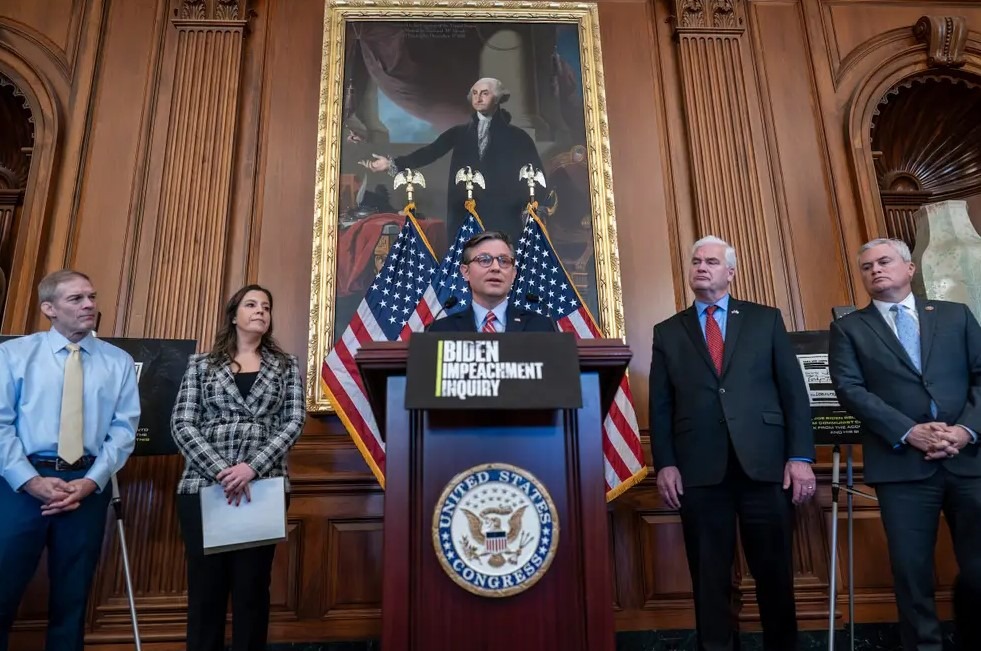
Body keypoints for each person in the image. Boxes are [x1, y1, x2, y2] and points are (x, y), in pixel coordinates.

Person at [649, 236, 816, 651]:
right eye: (696, 261)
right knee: (708, 577)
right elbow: (660, 405)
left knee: (774, 574)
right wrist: (665, 463)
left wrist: (799, 457)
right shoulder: (668, 331)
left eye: (711, 262)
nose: (701, 267)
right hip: (699, 472)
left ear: (731, 272)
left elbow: (794, 393)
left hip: (766, 467)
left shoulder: (765, 320)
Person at [828, 238, 981, 651]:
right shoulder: (849, 328)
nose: (875, 270)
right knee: (912, 574)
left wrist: (965, 430)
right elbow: (850, 389)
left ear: (909, 268)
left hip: (968, 460)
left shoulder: (956, 316)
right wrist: (909, 431)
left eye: (884, 261)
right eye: (866, 267)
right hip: (902, 468)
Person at [0, 269, 140, 651]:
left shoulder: (119, 362)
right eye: (76, 299)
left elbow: (123, 432)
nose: (89, 305)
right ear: (49, 308)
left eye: (91, 297)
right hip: (20, 486)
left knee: (73, 600)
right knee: (2, 589)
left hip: (85, 487)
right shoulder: (13, 355)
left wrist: (91, 482)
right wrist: (31, 481)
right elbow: (0, 424)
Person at [171, 284, 306, 651]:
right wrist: (222, 471)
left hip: (262, 487)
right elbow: (182, 423)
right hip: (203, 487)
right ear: (234, 315)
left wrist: (251, 468)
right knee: (206, 593)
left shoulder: (285, 365)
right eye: (251, 304)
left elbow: (293, 422)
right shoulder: (201, 365)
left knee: (251, 592)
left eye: (266, 306)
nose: (260, 311)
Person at [360, 78, 545, 242]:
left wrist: (532, 207)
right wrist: (391, 164)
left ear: (497, 98)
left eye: (485, 93)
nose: (478, 98)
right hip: (466, 209)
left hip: (502, 212)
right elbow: (430, 152)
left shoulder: (517, 137)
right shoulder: (460, 133)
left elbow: (535, 173)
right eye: (475, 93)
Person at [427, 231, 555, 333]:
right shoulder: (440, 330)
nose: (495, 268)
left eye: (504, 261)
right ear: (466, 272)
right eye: (484, 260)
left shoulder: (541, 328)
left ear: (514, 274)